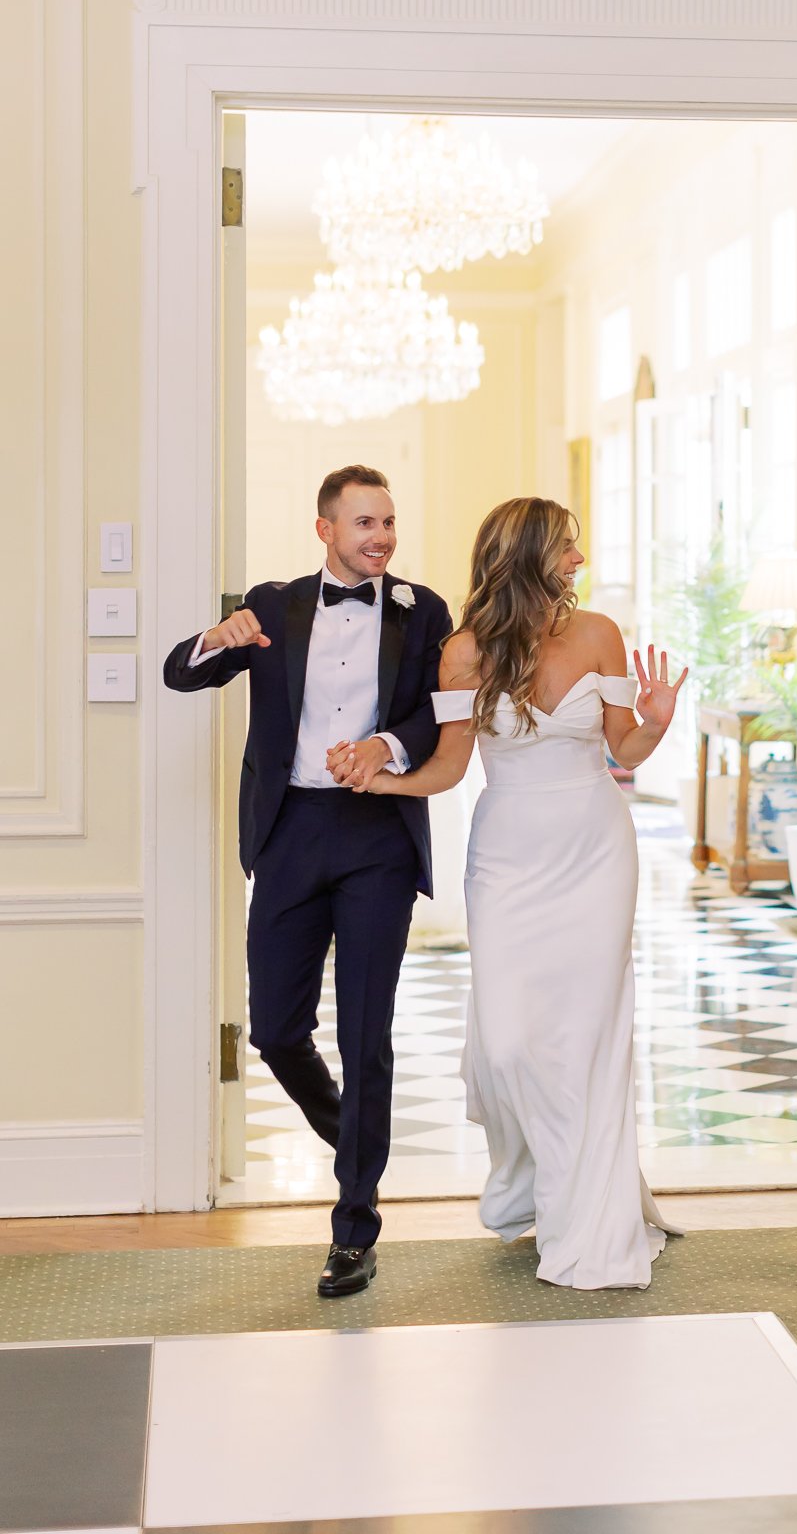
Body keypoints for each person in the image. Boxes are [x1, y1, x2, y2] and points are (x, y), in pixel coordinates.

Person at [330, 496, 687, 1289]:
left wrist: (656, 721)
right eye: (567, 549)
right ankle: (542, 1185)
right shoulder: (464, 651)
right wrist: (381, 782)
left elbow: (624, 745)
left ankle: (584, 1214)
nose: (579, 563)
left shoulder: (598, 633)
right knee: (509, 1042)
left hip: (595, 845)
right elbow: (452, 768)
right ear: (527, 553)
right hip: (508, 856)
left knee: (589, 1033)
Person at [163, 465, 451, 1296]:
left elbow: (442, 705)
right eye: (364, 523)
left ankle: (353, 1226)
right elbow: (183, 677)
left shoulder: (422, 609)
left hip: (376, 837)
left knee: (366, 1034)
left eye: (388, 522)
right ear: (324, 528)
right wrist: (218, 636)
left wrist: (388, 748)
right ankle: (358, 1144)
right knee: (276, 1031)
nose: (381, 538)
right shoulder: (275, 604)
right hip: (289, 832)